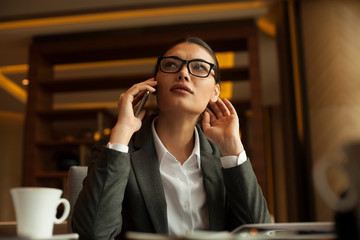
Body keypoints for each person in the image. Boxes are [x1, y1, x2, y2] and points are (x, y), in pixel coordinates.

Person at [72, 37, 271, 240]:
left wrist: (234, 151)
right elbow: (92, 234)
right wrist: (122, 132)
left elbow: (260, 234)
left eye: (200, 67)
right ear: (155, 83)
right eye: (171, 65)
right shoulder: (118, 147)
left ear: (215, 91)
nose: (183, 73)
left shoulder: (224, 156)